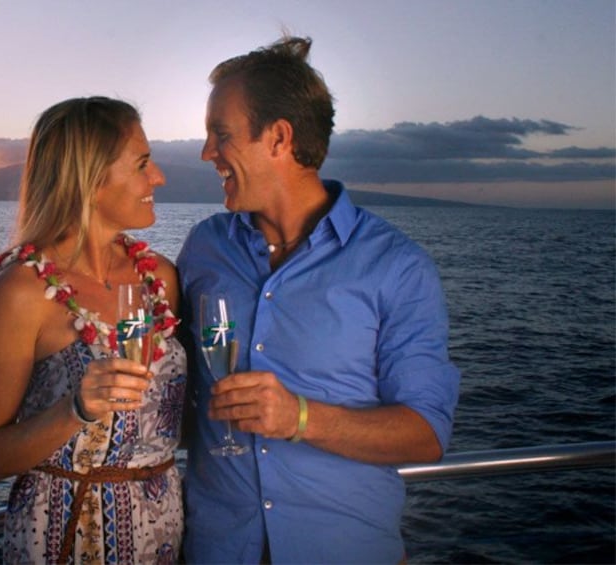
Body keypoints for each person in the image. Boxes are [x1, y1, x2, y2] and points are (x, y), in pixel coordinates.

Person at [176, 36, 460, 563]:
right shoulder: (204, 249)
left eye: (221, 134)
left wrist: (300, 418)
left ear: (279, 138)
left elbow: (426, 434)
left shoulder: (397, 267)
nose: (206, 152)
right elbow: (169, 374)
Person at [0, 96, 186, 564]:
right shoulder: (21, 294)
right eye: (143, 163)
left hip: (162, 533)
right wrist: (77, 409)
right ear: (90, 179)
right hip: (66, 534)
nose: (159, 177)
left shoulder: (159, 278)